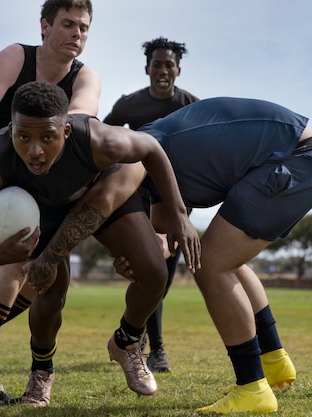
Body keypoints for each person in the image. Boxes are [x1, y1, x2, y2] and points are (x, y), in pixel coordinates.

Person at [0, 81, 200, 406]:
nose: (35, 150)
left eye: (47, 137)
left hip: (103, 193)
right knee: (50, 292)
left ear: (66, 131)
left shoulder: (97, 141)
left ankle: (128, 340)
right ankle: (41, 374)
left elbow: (150, 148)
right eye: (24, 137)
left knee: (153, 272)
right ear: (11, 130)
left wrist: (179, 214)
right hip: (45, 210)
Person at [115, 96, 312, 414]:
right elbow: (165, 240)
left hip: (295, 157)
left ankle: (252, 389)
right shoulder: (153, 175)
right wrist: (136, 254)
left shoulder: (137, 154)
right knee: (220, 258)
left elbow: (114, 193)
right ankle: (273, 362)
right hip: (300, 157)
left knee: (211, 264)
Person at [0, 0, 105, 385]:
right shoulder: (16, 57)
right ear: (44, 26)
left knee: (42, 270)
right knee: (18, 252)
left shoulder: (85, 78)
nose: (76, 33)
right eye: (67, 24)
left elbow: (75, 130)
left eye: (83, 27)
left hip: (24, 178)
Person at [102, 36, 199, 373]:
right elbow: (105, 138)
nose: (162, 70)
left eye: (168, 65)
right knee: (150, 271)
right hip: (140, 201)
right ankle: (154, 349)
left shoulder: (191, 105)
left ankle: (138, 336)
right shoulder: (129, 105)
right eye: (156, 64)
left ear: (178, 69)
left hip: (177, 202)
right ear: (147, 68)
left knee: (164, 278)